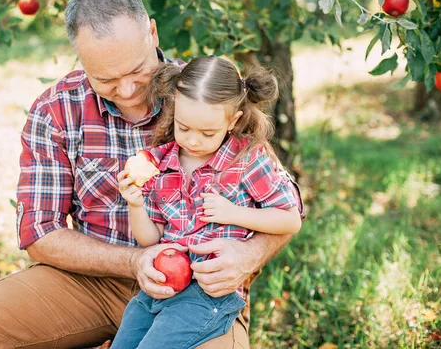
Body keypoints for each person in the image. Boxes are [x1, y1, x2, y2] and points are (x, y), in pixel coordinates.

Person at [0, 0, 304, 349]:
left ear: (152, 34)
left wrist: (248, 255)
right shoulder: (57, 110)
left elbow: (288, 206)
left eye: (137, 70)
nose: (127, 90)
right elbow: (39, 232)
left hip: (199, 292)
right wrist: (135, 261)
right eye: (106, 78)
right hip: (93, 280)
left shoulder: (204, 96)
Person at [111, 57, 304, 349]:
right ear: (174, 108)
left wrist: (234, 213)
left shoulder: (247, 159)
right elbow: (150, 238)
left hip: (209, 294)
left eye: (208, 133)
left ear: (233, 120)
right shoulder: (161, 163)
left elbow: (290, 219)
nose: (194, 141)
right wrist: (135, 204)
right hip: (162, 287)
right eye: (184, 127)